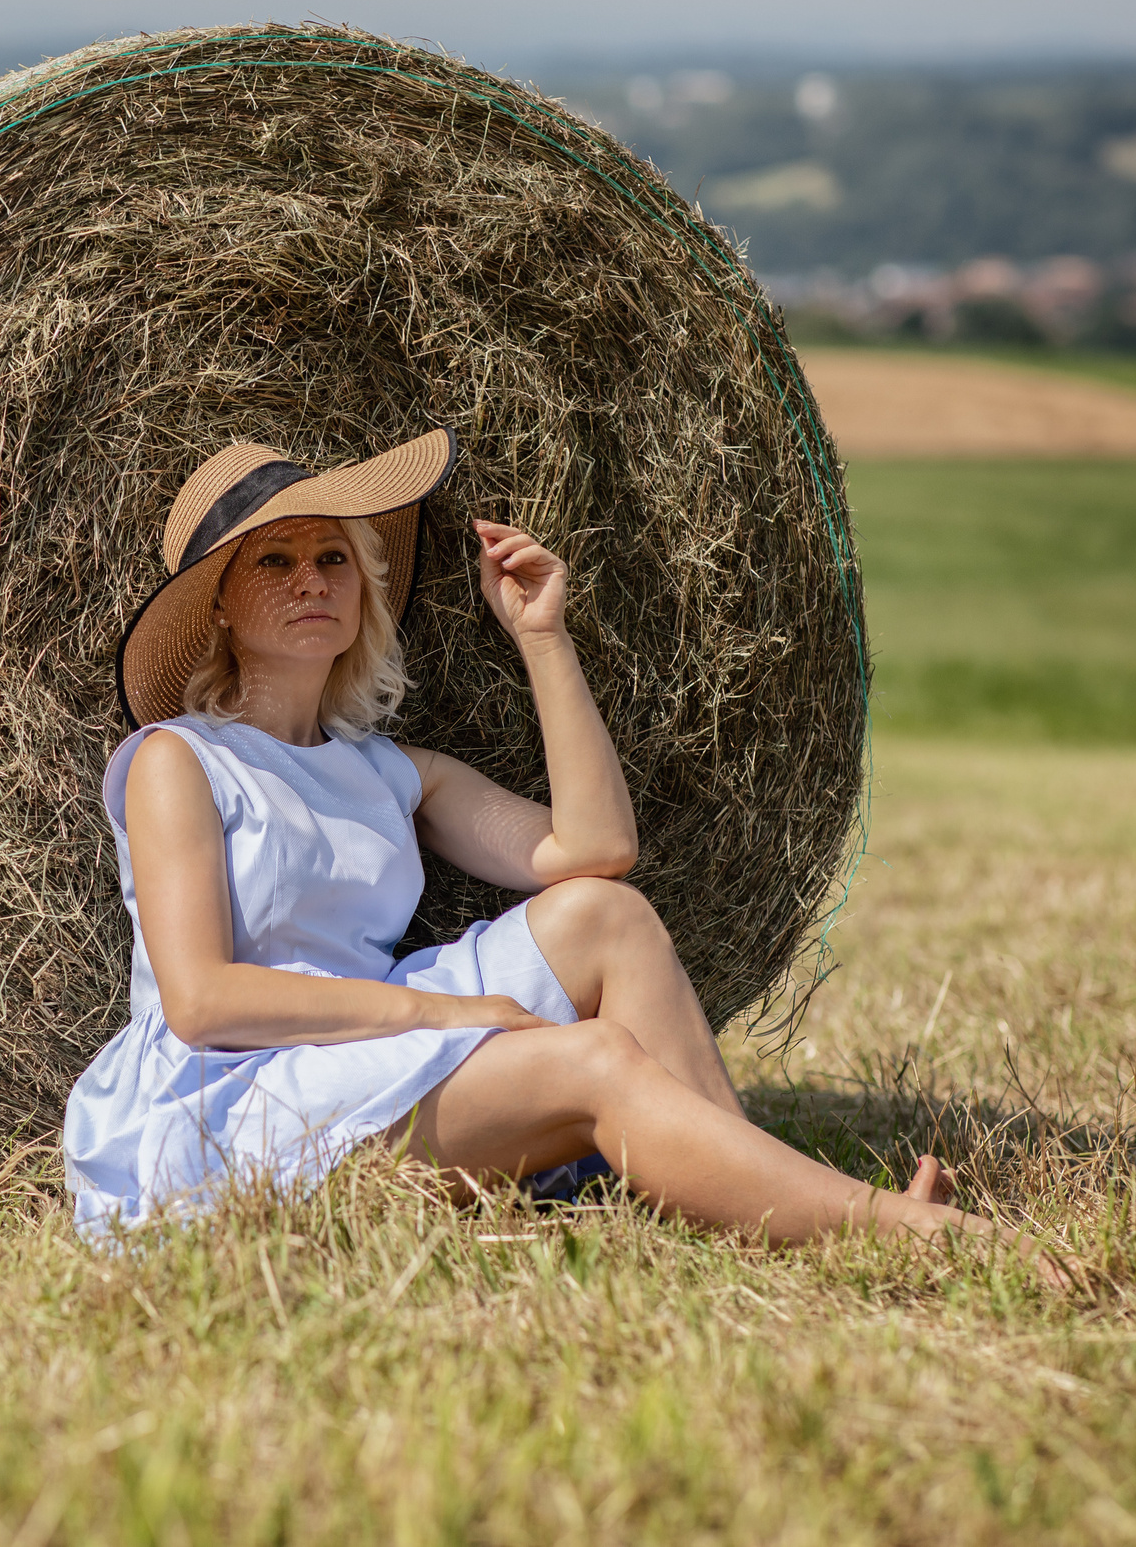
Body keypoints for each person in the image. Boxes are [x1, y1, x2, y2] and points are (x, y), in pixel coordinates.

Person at [63, 426, 1033, 1272]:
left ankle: (768, 1191)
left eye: (333, 557)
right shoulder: (179, 762)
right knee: (595, 1060)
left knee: (607, 916)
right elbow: (203, 1002)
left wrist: (543, 637)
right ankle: (901, 1230)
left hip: (370, 1055)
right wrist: (439, 1014)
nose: (312, 579)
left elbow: (596, 847)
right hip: (234, 1100)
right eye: (274, 561)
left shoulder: (387, 772)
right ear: (219, 605)